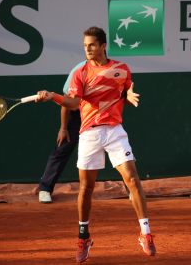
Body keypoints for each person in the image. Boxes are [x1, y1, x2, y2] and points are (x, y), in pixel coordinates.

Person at [36, 26, 156, 263]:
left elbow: (124, 88)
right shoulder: (80, 73)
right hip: (89, 134)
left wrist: (128, 95)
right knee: (86, 189)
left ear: (103, 45)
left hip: (114, 131)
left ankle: (146, 233)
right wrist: (53, 96)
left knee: (132, 178)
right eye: (84, 46)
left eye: (91, 45)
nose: (88, 50)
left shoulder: (121, 69)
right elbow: (73, 103)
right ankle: (83, 237)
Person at [38, 61, 85, 203]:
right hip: (76, 113)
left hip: (99, 114)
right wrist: (63, 128)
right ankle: (45, 188)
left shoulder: (110, 70)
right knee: (63, 146)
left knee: (115, 148)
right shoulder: (79, 71)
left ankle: (131, 189)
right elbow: (66, 101)